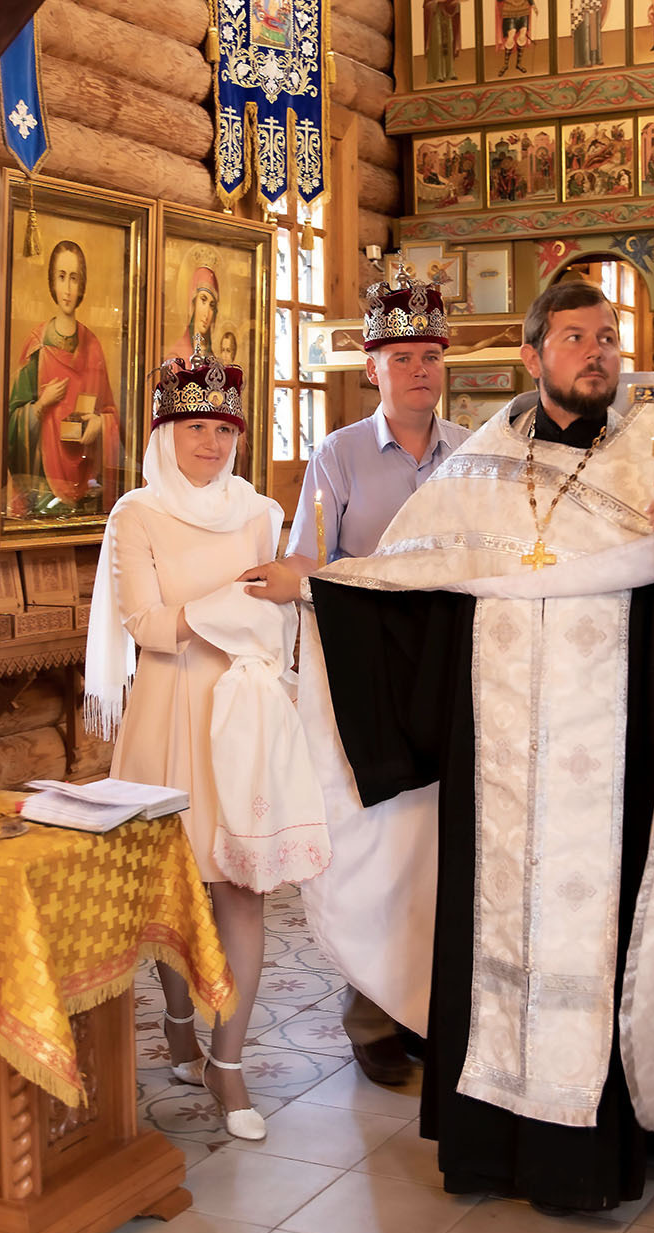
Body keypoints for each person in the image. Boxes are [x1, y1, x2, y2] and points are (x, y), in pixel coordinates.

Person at [282, 280, 654, 1214]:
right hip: (497, 769)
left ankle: (605, 1146)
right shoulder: (477, 470)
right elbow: (407, 593)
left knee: (611, 944)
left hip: (614, 770)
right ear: (532, 356)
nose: (597, 352)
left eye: (608, 337)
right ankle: (489, 1148)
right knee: (488, 942)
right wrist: (318, 592)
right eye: (575, 337)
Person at [85, 348, 328, 1141]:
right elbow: (149, 628)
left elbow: (285, 616)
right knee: (173, 890)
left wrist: (251, 612)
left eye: (225, 429)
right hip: (168, 715)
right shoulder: (137, 515)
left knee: (241, 889)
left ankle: (228, 1065)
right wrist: (228, 605)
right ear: (165, 433)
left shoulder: (261, 512)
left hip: (243, 717)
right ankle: (180, 1023)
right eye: (196, 427)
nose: (213, 444)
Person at [241, 262, 468, 1088]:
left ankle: (431, 1006)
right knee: (376, 838)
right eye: (402, 357)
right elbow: (308, 562)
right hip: (368, 674)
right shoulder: (336, 456)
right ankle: (371, 1012)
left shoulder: (473, 455)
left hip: (447, 669)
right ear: (372, 367)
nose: (419, 370)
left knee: (443, 840)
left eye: (431, 357)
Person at [6, 239, 121, 517]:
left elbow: (110, 413)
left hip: (86, 483)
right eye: (61, 277)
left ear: (82, 285)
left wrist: (100, 424)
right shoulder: (37, 347)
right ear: (52, 283)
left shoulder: (92, 346)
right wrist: (40, 406)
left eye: (74, 278)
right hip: (43, 484)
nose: (68, 289)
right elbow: (11, 424)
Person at [169, 265, 220, 363]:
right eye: (203, 300)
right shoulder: (176, 359)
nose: (207, 313)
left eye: (212, 305)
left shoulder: (213, 360)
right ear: (193, 303)